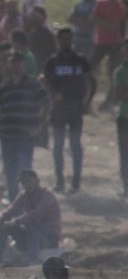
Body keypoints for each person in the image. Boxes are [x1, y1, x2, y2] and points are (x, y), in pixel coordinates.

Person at [43, 28, 95, 194]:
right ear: (58, 40)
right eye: (63, 39)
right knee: (58, 145)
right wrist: (52, 95)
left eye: (69, 39)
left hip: (75, 108)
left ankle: (76, 182)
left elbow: (92, 81)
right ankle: (59, 181)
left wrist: (88, 101)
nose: (66, 42)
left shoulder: (80, 60)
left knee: (75, 145)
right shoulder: (52, 61)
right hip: (58, 109)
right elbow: (45, 81)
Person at [0, 51, 50, 202]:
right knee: (10, 170)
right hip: (7, 134)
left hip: (26, 135)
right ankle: (13, 200)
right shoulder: (4, 85)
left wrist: (40, 125)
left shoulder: (32, 83)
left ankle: (28, 199)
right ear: (8, 65)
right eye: (12, 62)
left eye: (18, 62)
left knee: (25, 169)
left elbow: (46, 103)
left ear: (24, 65)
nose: (16, 65)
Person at [0, 169, 60, 265]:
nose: (26, 184)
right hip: (33, 235)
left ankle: (32, 258)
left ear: (37, 181)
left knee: (29, 222)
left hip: (49, 237)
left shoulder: (47, 195)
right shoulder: (24, 194)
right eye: (23, 182)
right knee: (3, 224)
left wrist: (16, 221)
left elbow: (36, 214)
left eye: (29, 181)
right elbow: (12, 209)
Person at [115, 37, 128, 196]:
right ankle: (126, 186)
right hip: (124, 117)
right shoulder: (119, 71)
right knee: (125, 154)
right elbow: (119, 94)